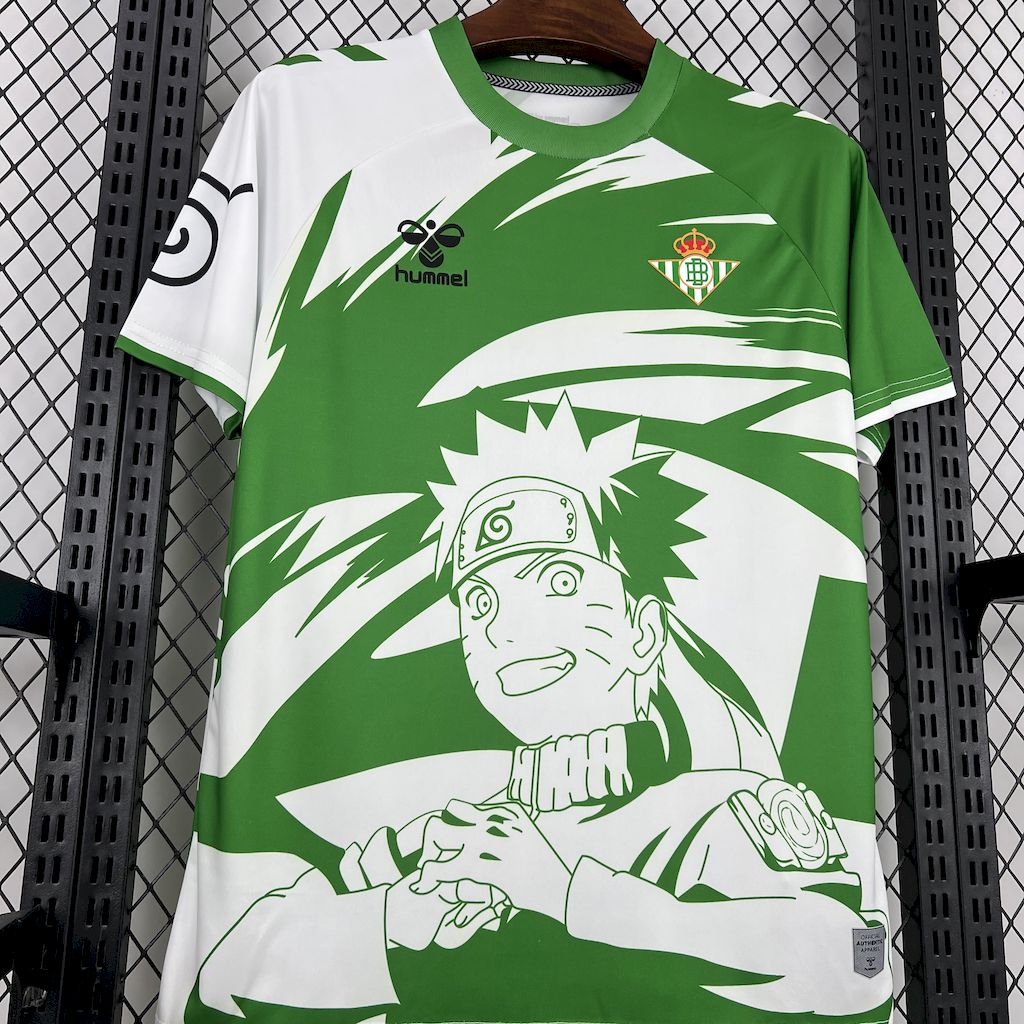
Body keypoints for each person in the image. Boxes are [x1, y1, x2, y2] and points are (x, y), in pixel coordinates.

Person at [195, 395, 890, 1021]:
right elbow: (226, 979)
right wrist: (393, 915)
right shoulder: (452, 840)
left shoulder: (723, 812)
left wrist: (569, 894)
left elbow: (847, 966)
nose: (505, 628)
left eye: (558, 581)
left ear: (644, 631)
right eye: (480, 601)